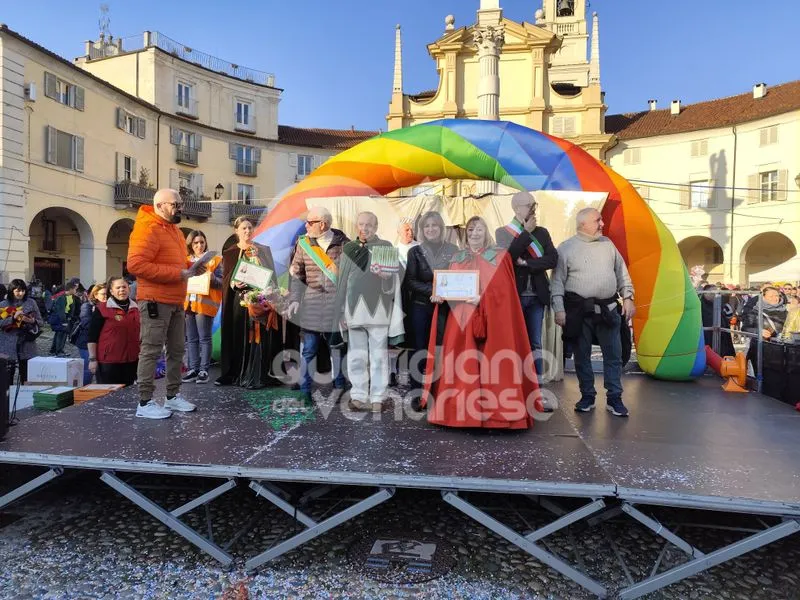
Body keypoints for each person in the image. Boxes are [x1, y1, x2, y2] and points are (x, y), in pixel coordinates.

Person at [421, 216, 544, 429]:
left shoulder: (499, 256)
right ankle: (459, 412)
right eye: (470, 230)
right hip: (461, 320)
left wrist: (484, 299)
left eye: (478, 229)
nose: (474, 234)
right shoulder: (457, 257)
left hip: (494, 321)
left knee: (494, 365)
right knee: (461, 364)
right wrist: (439, 296)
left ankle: (496, 415)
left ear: (486, 232)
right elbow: (448, 286)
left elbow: (506, 292)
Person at [551, 207, 635, 417]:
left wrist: (628, 297)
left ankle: (614, 398)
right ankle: (587, 396)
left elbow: (622, 273)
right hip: (578, 310)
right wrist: (559, 309)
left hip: (608, 308)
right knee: (582, 356)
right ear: (583, 224)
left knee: (614, 355)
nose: (602, 224)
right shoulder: (566, 248)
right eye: (598, 220)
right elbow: (557, 282)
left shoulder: (608, 245)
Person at [127, 188, 201, 419]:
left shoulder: (174, 230)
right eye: (175, 204)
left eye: (180, 203)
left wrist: (194, 266)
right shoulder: (147, 228)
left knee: (177, 350)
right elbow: (136, 265)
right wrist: (178, 273)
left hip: (175, 300)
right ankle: (145, 402)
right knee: (151, 350)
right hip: (155, 301)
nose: (180, 207)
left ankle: (172, 397)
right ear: (160, 206)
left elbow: (175, 263)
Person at [336, 211, 404, 412]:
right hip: (353, 308)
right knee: (356, 354)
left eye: (369, 225)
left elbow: (396, 277)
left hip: (379, 308)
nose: (364, 228)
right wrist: (340, 311)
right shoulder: (348, 248)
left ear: (376, 226)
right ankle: (358, 394)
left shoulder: (385, 247)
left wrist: (386, 276)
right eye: (361, 224)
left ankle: (378, 397)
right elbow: (342, 281)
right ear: (356, 225)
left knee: (378, 356)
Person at [285, 207, 349, 401]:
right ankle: (305, 391)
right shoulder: (303, 244)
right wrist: (295, 299)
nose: (306, 225)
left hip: (335, 305)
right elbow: (297, 276)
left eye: (310, 222)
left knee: (336, 349)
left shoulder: (343, 244)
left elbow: (349, 277)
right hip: (311, 304)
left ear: (323, 224)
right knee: (309, 350)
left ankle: (339, 387)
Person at [216, 216, 283, 389]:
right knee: (241, 336)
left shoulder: (263, 250)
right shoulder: (230, 252)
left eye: (250, 228)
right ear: (236, 231)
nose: (247, 231)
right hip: (239, 302)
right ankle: (240, 372)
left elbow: (270, 275)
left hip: (260, 300)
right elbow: (226, 279)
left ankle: (261, 374)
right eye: (243, 228)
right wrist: (233, 283)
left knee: (261, 338)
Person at [495, 192, 558, 378]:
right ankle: (515, 384)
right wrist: (526, 233)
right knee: (513, 341)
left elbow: (552, 259)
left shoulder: (543, 232)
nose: (533, 209)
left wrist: (527, 263)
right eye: (529, 205)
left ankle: (536, 386)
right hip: (515, 296)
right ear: (516, 209)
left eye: (534, 205)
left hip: (537, 296)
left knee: (535, 343)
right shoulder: (503, 232)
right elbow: (508, 257)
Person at [405, 211, 458, 392]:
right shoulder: (415, 252)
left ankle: (440, 390)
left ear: (441, 227)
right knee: (420, 348)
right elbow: (410, 281)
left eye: (434, 225)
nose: (430, 229)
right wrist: (432, 291)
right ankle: (417, 391)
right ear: (422, 230)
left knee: (443, 349)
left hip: (446, 308)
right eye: (426, 226)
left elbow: (458, 276)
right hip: (421, 307)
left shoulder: (453, 250)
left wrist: (444, 293)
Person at [182, 230, 223, 385]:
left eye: (202, 242)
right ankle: (193, 369)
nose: (199, 245)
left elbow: (222, 283)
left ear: (206, 243)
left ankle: (204, 370)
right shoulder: (185, 260)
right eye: (195, 243)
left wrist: (213, 279)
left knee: (204, 337)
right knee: (191, 338)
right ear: (190, 245)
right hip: (188, 304)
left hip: (205, 304)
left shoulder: (215, 260)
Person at [87, 277, 140, 386]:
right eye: (118, 288)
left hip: (131, 360)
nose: (122, 290)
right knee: (108, 397)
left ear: (129, 289)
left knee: (129, 395)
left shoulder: (137, 308)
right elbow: (92, 336)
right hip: (108, 362)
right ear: (111, 291)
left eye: (124, 287)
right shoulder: (102, 308)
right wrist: (92, 359)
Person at [0, 279, 44, 385]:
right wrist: (13, 319)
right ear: (11, 291)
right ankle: (7, 398)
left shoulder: (31, 302)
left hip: (27, 344)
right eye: (18, 291)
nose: (21, 293)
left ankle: (25, 398)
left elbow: (40, 322)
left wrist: (32, 321)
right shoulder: (3, 304)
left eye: (23, 290)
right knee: (7, 378)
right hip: (8, 344)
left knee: (27, 377)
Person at [75, 283, 107, 385]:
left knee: (101, 371)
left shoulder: (109, 307)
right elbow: (87, 324)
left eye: (107, 294)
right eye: (103, 294)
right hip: (86, 343)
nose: (106, 297)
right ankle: (83, 392)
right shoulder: (87, 306)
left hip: (102, 344)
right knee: (89, 370)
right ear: (96, 295)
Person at [699, 284, 735, 357]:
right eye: (712, 292)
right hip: (705, 335)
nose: (715, 294)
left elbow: (729, 315)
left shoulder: (721, 302)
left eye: (716, 292)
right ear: (705, 292)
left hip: (721, 335)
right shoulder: (699, 304)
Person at [48, 278, 81, 356]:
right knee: (61, 334)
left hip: (65, 318)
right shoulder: (61, 298)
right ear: (71, 289)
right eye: (75, 289)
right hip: (59, 319)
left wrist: (70, 317)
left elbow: (70, 308)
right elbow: (61, 311)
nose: (76, 291)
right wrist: (64, 321)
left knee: (61, 334)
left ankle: (54, 350)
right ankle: (58, 351)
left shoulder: (70, 297)